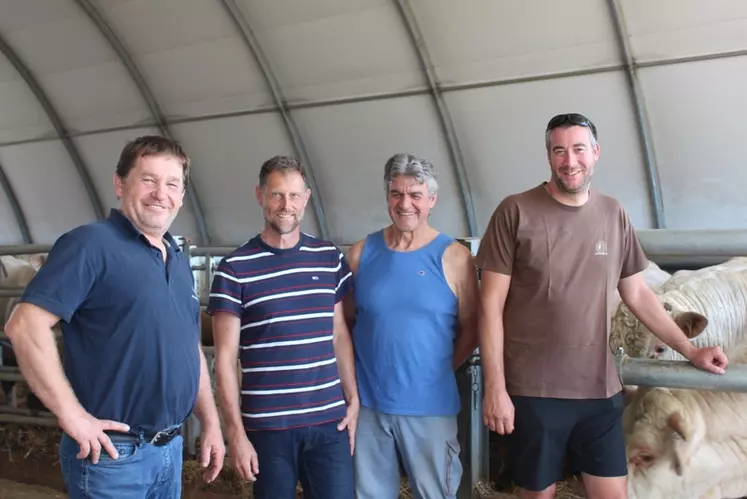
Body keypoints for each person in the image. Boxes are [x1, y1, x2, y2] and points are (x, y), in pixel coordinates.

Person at [476, 112, 729, 499]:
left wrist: (691, 350)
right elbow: (490, 305)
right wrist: (496, 388)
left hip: (600, 389)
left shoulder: (613, 213)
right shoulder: (516, 211)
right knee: (536, 494)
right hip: (535, 390)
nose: (569, 160)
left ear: (595, 153)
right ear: (548, 157)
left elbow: (639, 294)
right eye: (559, 151)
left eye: (578, 149)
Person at [4, 135, 225, 499]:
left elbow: (190, 346)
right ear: (120, 183)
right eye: (148, 179)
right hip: (112, 455)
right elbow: (24, 325)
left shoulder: (178, 259)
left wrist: (211, 422)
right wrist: (72, 415)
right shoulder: (89, 245)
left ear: (182, 196)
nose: (160, 193)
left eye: (172, 184)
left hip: (169, 450)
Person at [207, 155, 359, 499]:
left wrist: (353, 399)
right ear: (260, 196)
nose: (285, 205)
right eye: (276, 195)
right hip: (267, 428)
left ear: (305, 199)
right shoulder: (235, 269)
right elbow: (226, 361)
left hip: (328, 423)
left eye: (293, 196)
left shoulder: (329, 258)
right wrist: (237, 434)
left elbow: (338, 334)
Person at [344, 153, 480, 499]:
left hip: (431, 407)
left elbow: (473, 328)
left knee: (436, 493)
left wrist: (440, 368)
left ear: (432, 200)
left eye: (415, 195)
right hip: (370, 407)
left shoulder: (455, 258)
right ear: (387, 196)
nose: (405, 204)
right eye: (396, 194)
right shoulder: (360, 254)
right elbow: (343, 324)